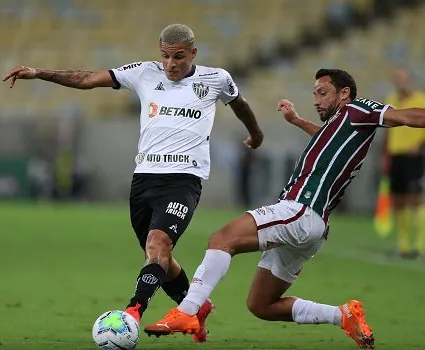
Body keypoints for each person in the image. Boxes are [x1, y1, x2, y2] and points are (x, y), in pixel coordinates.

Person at [2, 23, 263, 342]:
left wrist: (256, 134)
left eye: (179, 57)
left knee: (157, 246)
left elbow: (240, 103)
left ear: (193, 53)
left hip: (184, 181)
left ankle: (132, 313)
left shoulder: (216, 79)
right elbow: (87, 79)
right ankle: (196, 308)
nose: (170, 64)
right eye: (165, 56)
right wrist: (39, 72)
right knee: (159, 259)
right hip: (143, 181)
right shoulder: (144, 72)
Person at [144, 68, 425, 349]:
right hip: (314, 225)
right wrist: (298, 120)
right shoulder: (342, 126)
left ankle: (187, 311)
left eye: (323, 93)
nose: (316, 99)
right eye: (314, 93)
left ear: (344, 93)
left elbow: (408, 116)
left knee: (222, 239)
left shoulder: (358, 109)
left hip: (301, 209)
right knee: (261, 304)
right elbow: (326, 138)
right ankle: (343, 315)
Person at [382, 67, 425, 258]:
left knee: (416, 198)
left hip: (414, 156)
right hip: (396, 156)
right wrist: (386, 155)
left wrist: (420, 145)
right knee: (398, 200)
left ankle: (421, 245)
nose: (400, 82)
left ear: (409, 81)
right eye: (397, 79)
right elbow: (387, 129)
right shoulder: (391, 101)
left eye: (403, 79)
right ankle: (404, 244)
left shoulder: (420, 100)